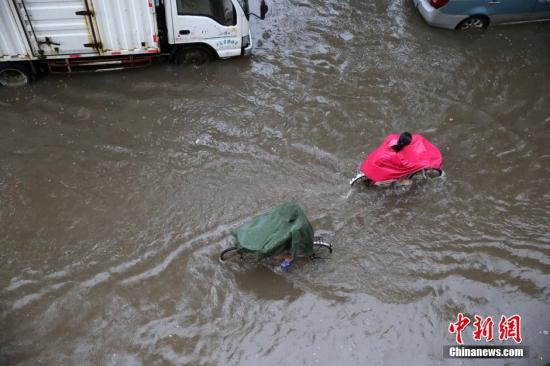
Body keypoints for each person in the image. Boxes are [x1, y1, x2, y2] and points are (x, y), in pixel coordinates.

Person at [357, 132, 443, 187]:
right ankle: (401, 181)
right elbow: (408, 165)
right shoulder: (400, 157)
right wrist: (423, 164)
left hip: (374, 159)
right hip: (381, 163)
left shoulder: (392, 139)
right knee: (404, 169)